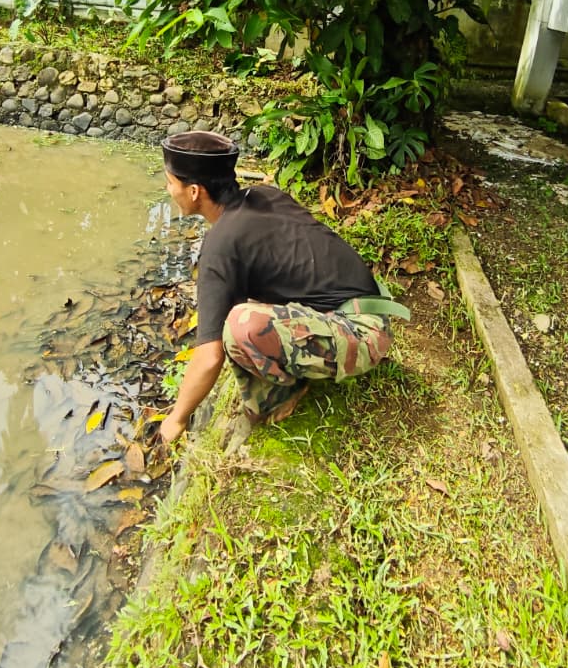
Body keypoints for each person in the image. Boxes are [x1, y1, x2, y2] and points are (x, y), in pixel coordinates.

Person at [157, 131, 409, 444]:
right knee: (240, 314)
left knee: (238, 328)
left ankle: (280, 393)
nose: (169, 190)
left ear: (194, 191)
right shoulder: (264, 196)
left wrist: (176, 419)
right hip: (370, 309)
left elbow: (209, 356)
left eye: (170, 182)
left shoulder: (221, 245)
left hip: (362, 335)